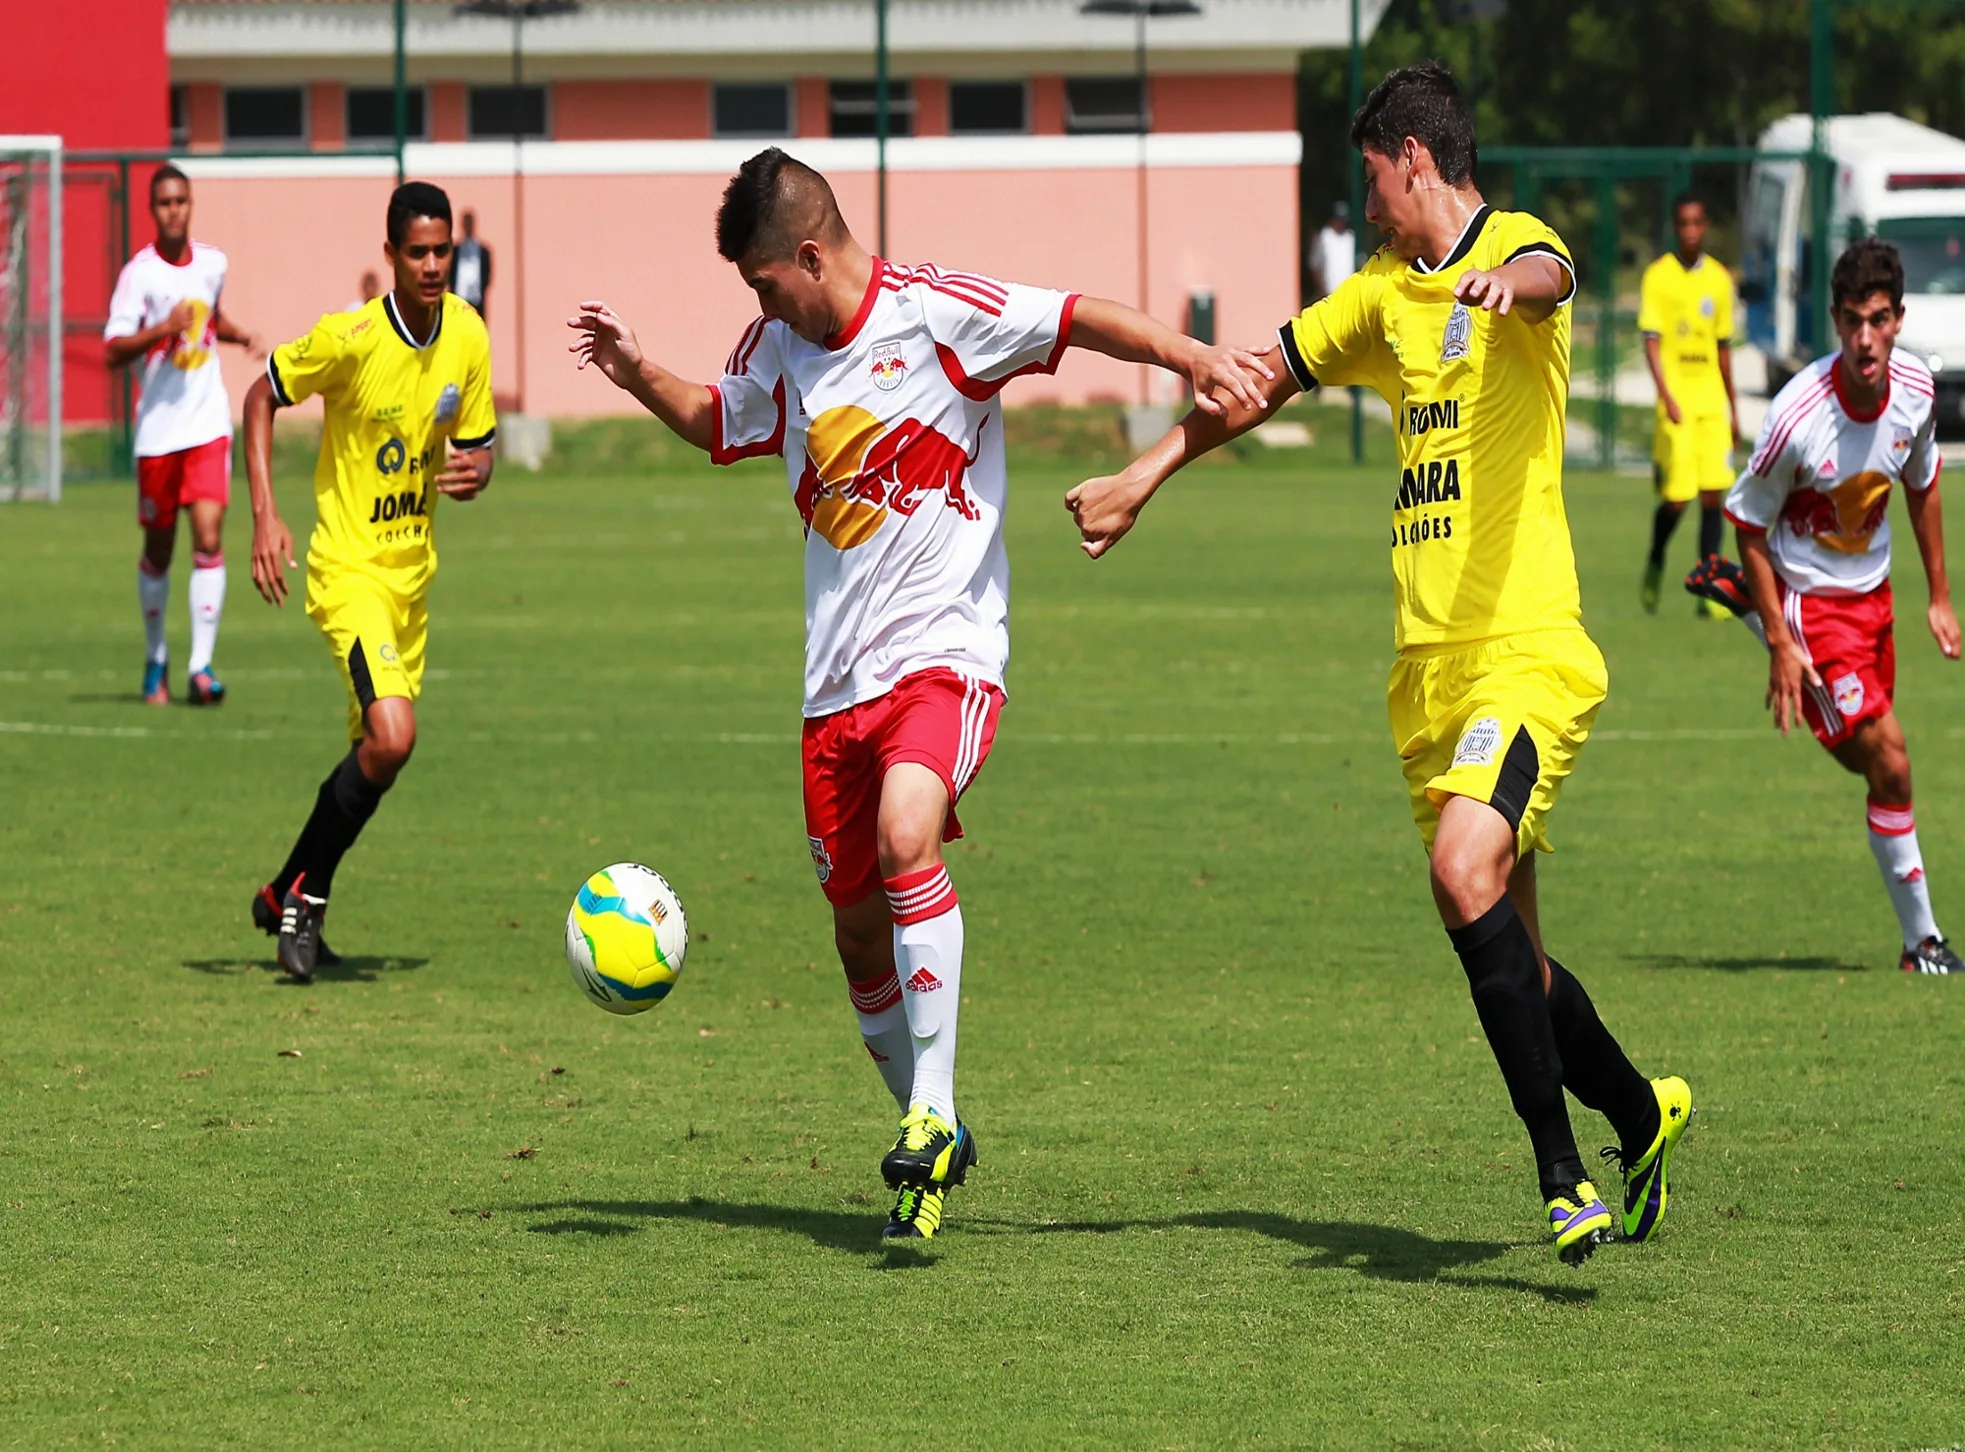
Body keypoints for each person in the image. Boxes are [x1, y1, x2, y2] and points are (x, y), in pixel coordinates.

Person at [568, 147, 1267, 1241]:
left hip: (948, 655)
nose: (757, 304)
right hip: (831, 686)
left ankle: (933, 1109)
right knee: (856, 935)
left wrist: (1190, 356)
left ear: (807, 254)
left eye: (762, 282)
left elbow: (1076, 315)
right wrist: (635, 372)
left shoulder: (941, 313)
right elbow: (721, 423)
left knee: (909, 836)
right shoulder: (778, 349)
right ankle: (930, 1126)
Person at [1065, 63, 1691, 1264]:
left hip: (1526, 650)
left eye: (1370, 178)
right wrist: (1144, 476)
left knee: (1464, 872)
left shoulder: (1517, 247)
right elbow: (1262, 383)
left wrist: (1506, 285)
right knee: (1517, 951)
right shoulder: (1380, 298)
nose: (1367, 205)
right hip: (1427, 676)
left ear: (1415, 156)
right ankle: (1640, 1113)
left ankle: (1561, 1176)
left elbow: (1550, 276)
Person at [241, 181, 497, 983]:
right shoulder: (347, 339)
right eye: (416, 251)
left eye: (441, 249)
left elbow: (480, 443)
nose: (431, 264)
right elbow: (259, 396)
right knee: (394, 737)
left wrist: (476, 470)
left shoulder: (467, 334)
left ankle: (288, 885)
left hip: (410, 579)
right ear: (389, 256)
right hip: (348, 570)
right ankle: (304, 908)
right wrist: (264, 515)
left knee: (374, 756)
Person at [1726, 237, 1963, 975]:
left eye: (1879, 319)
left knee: (1879, 767)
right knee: (1888, 760)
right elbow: (1746, 521)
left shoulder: (1917, 394)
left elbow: (1921, 484)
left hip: (1874, 602)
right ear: (1834, 321)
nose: (1866, 337)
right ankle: (1922, 944)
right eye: (1852, 321)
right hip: (1809, 609)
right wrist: (1776, 637)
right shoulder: (1797, 415)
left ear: (1897, 318)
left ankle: (1918, 943)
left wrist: (1938, 598)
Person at [103, 163, 263, 706]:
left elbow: (211, 316)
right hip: (158, 433)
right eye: (165, 203)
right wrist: (159, 332)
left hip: (206, 422)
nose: (174, 211)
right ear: (154, 211)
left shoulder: (214, 263)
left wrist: (241, 336)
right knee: (159, 548)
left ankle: (200, 666)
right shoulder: (139, 275)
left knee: (211, 536)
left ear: (191, 205)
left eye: (181, 201)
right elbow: (112, 351)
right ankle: (156, 659)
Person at [1639, 192, 1741, 615]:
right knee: (1678, 499)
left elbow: (1722, 349)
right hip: (1677, 402)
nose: (1691, 231)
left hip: (1711, 402)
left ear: (1706, 226)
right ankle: (1657, 558)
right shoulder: (1658, 276)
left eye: (1697, 223)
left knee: (1714, 495)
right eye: (1684, 223)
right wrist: (1666, 395)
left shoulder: (1719, 279)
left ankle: (1711, 588)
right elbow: (1651, 343)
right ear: (1675, 228)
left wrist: (1733, 407)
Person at [1309, 200, 1357, 301]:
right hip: (1328, 295)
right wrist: (1321, 289)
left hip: (1348, 294)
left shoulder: (1350, 237)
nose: (1341, 223)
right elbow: (1315, 264)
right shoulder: (1325, 236)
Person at [452, 209, 490, 320]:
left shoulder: (482, 251)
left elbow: (487, 274)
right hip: (458, 301)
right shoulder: (456, 250)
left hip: (477, 300)